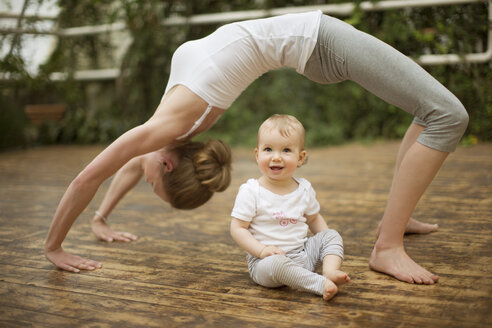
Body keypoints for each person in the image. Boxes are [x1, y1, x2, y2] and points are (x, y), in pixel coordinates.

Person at [45, 10, 468, 285]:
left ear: (168, 168)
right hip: (320, 43)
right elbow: (134, 165)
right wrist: (100, 218)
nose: (143, 178)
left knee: (443, 114)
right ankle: (391, 236)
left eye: (152, 186)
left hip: (323, 40)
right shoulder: (172, 127)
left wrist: (54, 247)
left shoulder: (171, 124)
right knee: (443, 113)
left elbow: (90, 175)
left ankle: (391, 237)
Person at [230, 115, 350, 301]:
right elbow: (237, 228)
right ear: (257, 155)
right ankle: (317, 283)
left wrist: (324, 246)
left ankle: (330, 270)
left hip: (303, 254)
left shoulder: (304, 189)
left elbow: (314, 219)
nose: (276, 157)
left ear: (300, 157)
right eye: (268, 149)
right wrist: (261, 250)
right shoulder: (251, 191)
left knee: (332, 234)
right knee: (277, 264)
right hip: (266, 263)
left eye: (286, 150)